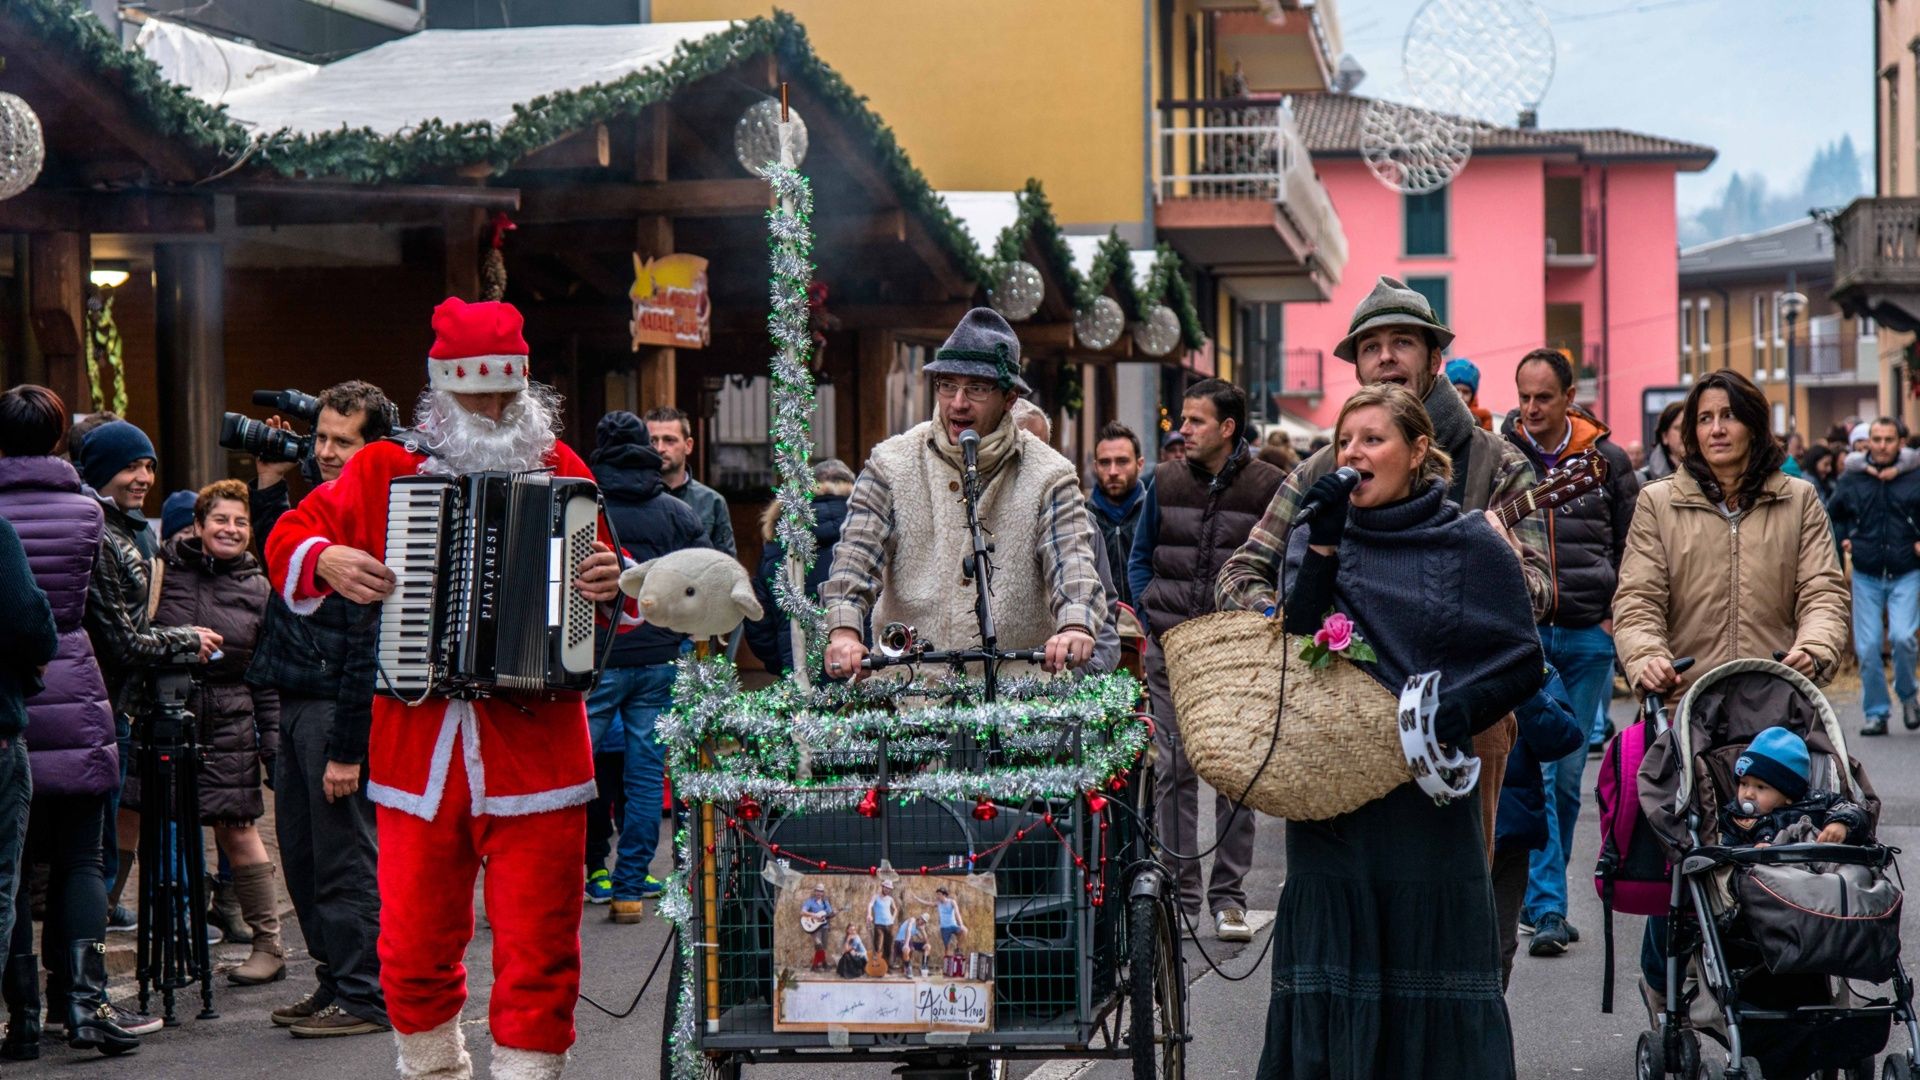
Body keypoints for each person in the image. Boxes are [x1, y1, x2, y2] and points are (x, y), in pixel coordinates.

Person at [264, 297, 628, 1080]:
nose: (495, 411)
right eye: (476, 396)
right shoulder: (383, 469)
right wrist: (325, 558)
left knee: (542, 937)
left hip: (539, 751)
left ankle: (530, 1072)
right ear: (441, 390)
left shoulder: (564, 469)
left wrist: (610, 584)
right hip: (417, 747)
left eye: (507, 394)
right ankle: (432, 1067)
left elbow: (614, 585)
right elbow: (289, 536)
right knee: (411, 940)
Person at [1256, 383, 1543, 1079]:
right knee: (1334, 967)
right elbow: (1296, 647)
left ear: (1418, 452)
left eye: (1373, 439)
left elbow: (1522, 661)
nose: (1353, 453)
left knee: (1427, 969)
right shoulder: (1313, 534)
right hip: (1335, 803)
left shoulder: (1469, 541)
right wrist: (1321, 545)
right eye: (1345, 440)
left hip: (1424, 801)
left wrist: (1450, 714)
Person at [1218, 276, 1553, 859]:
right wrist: (1287, 619)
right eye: (1371, 346)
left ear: (1434, 359)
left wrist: (1494, 559)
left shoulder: (1498, 462)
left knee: (1461, 898)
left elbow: (1541, 595)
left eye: (1402, 342)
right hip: (1342, 716)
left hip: (1463, 717)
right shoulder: (1324, 467)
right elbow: (1239, 573)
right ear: (1357, 369)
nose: (1385, 356)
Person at [1612, 369, 1851, 1022]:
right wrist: (1646, 655)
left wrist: (1817, 644)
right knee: (1690, 847)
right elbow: (1636, 599)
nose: (1715, 428)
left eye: (1729, 415)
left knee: (1808, 841)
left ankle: (1808, 974)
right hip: (1692, 705)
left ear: (1754, 424)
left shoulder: (1798, 499)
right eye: (1704, 417)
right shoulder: (1659, 502)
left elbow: (1824, 592)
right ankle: (1664, 981)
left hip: (1781, 704)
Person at [821, 308, 1104, 682]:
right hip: (912, 693)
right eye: (947, 384)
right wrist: (844, 631)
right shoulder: (890, 463)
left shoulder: (1052, 474)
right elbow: (855, 557)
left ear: (1010, 397)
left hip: (1018, 699)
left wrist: (1075, 626)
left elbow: (1074, 565)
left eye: (977, 387)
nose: (958, 401)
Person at [245, 379, 395, 1038]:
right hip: (300, 696)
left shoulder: (377, 516)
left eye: (344, 441)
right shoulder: (329, 505)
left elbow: (369, 643)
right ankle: (334, 981)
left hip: (335, 707)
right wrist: (271, 484)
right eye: (323, 438)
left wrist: (347, 750)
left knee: (342, 861)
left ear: (376, 446)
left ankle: (364, 994)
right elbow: (280, 562)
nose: (328, 452)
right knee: (304, 860)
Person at [0, 386, 141, 1058]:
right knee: (82, 857)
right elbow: (102, 612)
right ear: (60, 438)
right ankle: (85, 1010)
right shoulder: (89, 511)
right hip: (76, 687)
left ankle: (21, 1021)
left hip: (10, 694)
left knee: (14, 866)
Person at [1127, 378, 1284, 942]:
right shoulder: (1163, 482)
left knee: (1235, 775)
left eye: (1194, 421)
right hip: (1171, 651)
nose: (1181, 430)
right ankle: (1179, 891)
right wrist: (1149, 617)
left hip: (1237, 657)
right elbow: (1140, 558)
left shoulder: (1271, 485)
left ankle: (1229, 898)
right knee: (1173, 771)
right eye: (1181, 420)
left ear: (1227, 428)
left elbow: (1281, 567)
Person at [1500, 348, 1640, 959]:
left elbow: (1637, 541)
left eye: (1543, 398)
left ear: (1569, 395)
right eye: (1524, 397)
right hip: (1523, 634)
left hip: (1586, 635)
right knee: (1530, 769)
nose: (1531, 409)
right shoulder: (1500, 455)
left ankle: (1539, 899)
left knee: (1564, 778)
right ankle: (1550, 905)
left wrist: (1617, 615)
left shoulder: (1605, 459)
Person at [78, 420, 217, 959]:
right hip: (99, 703)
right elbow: (121, 642)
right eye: (131, 466)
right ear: (99, 471)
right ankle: (83, 979)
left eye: (149, 466)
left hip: (124, 706)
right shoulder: (100, 532)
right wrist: (184, 639)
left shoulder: (133, 528)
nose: (142, 478)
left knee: (107, 833)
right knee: (93, 845)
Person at [145, 481, 284, 987]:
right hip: (164, 711)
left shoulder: (259, 588)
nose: (230, 529)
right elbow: (132, 636)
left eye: (240, 522)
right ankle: (91, 945)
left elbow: (268, 678)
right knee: (132, 822)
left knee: (237, 828)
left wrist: (273, 748)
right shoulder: (161, 570)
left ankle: (268, 946)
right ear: (198, 526)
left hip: (228, 717)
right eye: (220, 520)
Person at [585, 411, 707, 922]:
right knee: (643, 777)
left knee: (572, 773)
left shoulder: (584, 510)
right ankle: (630, 890)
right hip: (659, 660)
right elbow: (699, 585)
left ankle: (572, 873)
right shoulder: (678, 514)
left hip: (596, 662)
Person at [1824, 417, 1920, 736]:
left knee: (1903, 638)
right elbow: (1831, 513)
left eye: (1888, 439)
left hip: (1906, 569)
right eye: (1876, 439)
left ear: (1899, 442)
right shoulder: (1852, 478)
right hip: (1866, 571)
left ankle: (1908, 695)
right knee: (1867, 648)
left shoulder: (1914, 476)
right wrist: (1846, 536)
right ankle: (1877, 712)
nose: (1881, 446)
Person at [1490, 667, 1585, 989]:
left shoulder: (1524, 661)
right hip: (1439, 838)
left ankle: (1487, 1035)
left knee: (1497, 960)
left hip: (1507, 837)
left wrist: (1521, 684)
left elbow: (1562, 738)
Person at [744, 459, 853, 676]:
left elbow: (757, 622)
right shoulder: (873, 537)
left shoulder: (778, 547)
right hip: (863, 670)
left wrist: (786, 664)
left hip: (801, 679)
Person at [1721, 727, 1867, 847]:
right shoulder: (1734, 818)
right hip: (1762, 876)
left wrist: (1841, 823)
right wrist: (1751, 851)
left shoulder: (1816, 803)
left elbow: (1853, 809)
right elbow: (1725, 851)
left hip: (1817, 870)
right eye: (1743, 783)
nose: (1748, 794)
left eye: (1760, 787)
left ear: (1788, 795)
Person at [644, 406, 735, 556]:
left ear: (688, 445)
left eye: (669, 440)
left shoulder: (712, 502)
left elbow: (727, 565)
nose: (660, 448)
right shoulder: (636, 497)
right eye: (652, 441)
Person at [1088, 422, 1147, 607]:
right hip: (1100, 630)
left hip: (1149, 629)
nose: (1113, 471)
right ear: (1096, 466)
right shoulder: (1082, 520)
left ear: (1140, 464)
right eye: (1105, 462)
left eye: (1122, 461)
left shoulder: (1154, 515)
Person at [1637, 400, 1685, 485]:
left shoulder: (1707, 477)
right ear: (1665, 436)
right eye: (1679, 428)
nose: (1685, 433)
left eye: (1689, 427)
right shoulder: (1642, 480)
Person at [1446, 357, 1494, 430]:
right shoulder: (1437, 414)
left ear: (1473, 395)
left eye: (1466, 392)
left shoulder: (1483, 417)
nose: (1460, 396)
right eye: (1455, 390)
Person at [801, 885, 834, 971]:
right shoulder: (810, 902)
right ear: (815, 891)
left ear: (823, 893)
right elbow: (802, 912)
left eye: (821, 891)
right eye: (818, 891)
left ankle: (815, 966)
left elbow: (830, 912)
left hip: (824, 927)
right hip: (814, 928)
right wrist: (813, 915)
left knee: (823, 947)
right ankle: (824, 964)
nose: (819, 893)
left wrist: (826, 902)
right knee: (819, 945)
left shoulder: (825, 902)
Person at [867, 881, 897, 968]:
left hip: (889, 924)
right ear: (882, 887)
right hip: (879, 925)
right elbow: (870, 905)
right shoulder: (876, 897)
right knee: (878, 945)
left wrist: (893, 918)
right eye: (886, 888)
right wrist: (869, 914)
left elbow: (895, 909)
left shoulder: (890, 899)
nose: (887, 890)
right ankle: (877, 964)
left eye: (889, 889)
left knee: (888, 946)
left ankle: (886, 966)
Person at [934, 886, 966, 957]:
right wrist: (917, 899)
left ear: (944, 895)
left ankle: (958, 948)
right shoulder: (938, 903)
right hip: (944, 928)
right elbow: (927, 903)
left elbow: (957, 913)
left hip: (953, 926)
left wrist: (961, 925)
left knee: (964, 931)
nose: (937, 896)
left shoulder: (952, 902)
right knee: (947, 948)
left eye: (939, 894)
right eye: (937, 894)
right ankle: (947, 964)